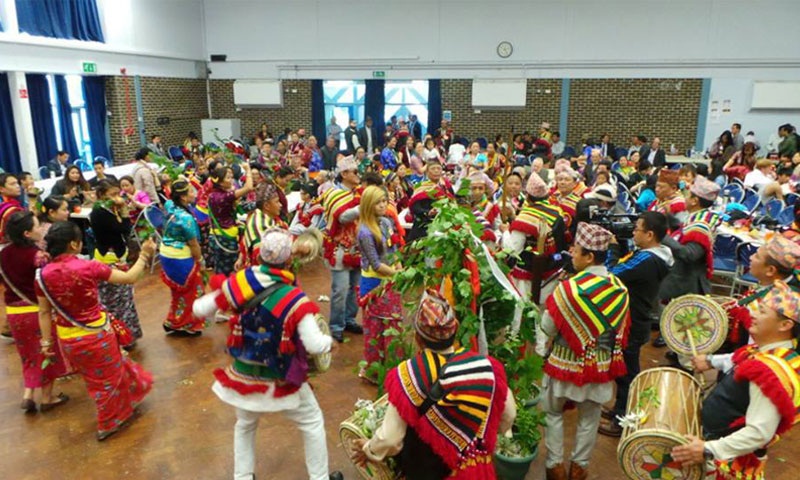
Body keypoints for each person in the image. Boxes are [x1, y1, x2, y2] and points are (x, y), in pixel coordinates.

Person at [201, 227, 342, 480]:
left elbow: (201, 308)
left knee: (245, 424)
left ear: (260, 256)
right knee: (311, 422)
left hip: (243, 374)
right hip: (280, 376)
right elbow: (313, 344)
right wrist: (328, 343)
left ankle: (242, 476)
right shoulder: (292, 297)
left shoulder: (241, 281)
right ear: (289, 260)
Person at [353, 289, 516, 479]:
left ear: (418, 338)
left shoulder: (409, 375)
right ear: (454, 330)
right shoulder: (486, 368)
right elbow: (508, 413)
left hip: (428, 471)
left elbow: (390, 439)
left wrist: (368, 449)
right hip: (477, 469)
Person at [36, 222, 156, 441]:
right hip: (96, 335)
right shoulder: (89, 266)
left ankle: (128, 400)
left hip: (68, 339)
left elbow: (44, 313)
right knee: (105, 382)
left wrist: (46, 344)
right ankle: (108, 423)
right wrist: (145, 255)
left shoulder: (42, 276)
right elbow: (129, 278)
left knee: (98, 376)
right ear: (73, 244)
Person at [672, 281, 800, 479]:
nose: (753, 315)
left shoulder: (770, 371)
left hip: (728, 464)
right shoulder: (774, 353)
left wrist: (707, 449)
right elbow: (740, 356)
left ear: (785, 324)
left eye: (763, 312)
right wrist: (710, 361)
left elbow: (759, 433)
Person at [537, 222, 630, 480]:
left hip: (564, 363)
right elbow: (619, 334)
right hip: (598, 368)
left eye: (576, 251)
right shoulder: (620, 289)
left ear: (589, 257)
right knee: (589, 420)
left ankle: (555, 466)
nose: (572, 254)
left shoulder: (567, 289)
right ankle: (579, 467)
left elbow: (548, 328)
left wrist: (542, 351)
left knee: (553, 414)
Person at [598, 212, 673, 437]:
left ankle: (622, 419)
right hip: (636, 318)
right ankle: (619, 410)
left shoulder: (649, 259)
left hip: (632, 321)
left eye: (637, 229)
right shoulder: (656, 255)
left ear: (650, 235)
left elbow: (612, 274)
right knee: (625, 369)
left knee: (626, 372)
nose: (633, 232)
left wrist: (612, 249)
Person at [0, 211, 69, 413]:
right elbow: (49, 283)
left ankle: (28, 394)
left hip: (14, 312)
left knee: (28, 355)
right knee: (47, 351)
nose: (41, 229)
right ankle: (48, 397)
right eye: (37, 226)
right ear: (27, 233)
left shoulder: (3, 254)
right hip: (36, 312)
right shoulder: (38, 256)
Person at [656, 175, 722, 348]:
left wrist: (662, 237)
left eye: (688, 195)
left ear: (694, 201)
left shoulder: (701, 225)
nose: (684, 198)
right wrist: (669, 219)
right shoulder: (695, 217)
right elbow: (682, 235)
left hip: (690, 282)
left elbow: (689, 254)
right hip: (683, 279)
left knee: (689, 326)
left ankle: (685, 363)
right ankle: (677, 351)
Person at [720, 235, 800, 352]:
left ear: (770, 270)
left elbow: (760, 346)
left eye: (756, 256)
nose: (751, 257)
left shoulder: (781, 300)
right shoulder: (767, 286)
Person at [356, 186, 402, 383]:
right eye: (378, 202)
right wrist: (399, 275)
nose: (383, 205)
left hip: (390, 279)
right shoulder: (365, 232)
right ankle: (373, 370)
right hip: (375, 283)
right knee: (375, 328)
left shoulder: (385, 222)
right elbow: (376, 263)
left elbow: (394, 250)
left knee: (393, 325)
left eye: (384, 200)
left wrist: (399, 267)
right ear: (369, 205)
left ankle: (392, 368)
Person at [89, 180, 142, 347]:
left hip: (119, 254)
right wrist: (125, 210)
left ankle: (128, 335)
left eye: (117, 193)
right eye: (112, 194)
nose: (116, 197)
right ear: (101, 195)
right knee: (115, 300)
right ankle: (118, 337)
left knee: (125, 298)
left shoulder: (110, 209)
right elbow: (124, 229)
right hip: (108, 258)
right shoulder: (99, 212)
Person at [504, 173, 567, 304]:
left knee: (522, 309)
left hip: (527, 273)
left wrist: (504, 233)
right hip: (554, 267)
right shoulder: (557, 212)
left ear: (528, 196)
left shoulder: (526, 216)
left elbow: (512, 250)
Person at [321, 156, 363, 342]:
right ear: (344, 174)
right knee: (340, 289)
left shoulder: (358, 193)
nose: (357, 175)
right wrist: (365, 207)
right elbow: (342, 217)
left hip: (357, 247)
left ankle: (349, 320)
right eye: (354, 171)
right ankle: (336, 326)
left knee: (355, 287)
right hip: (339, 249)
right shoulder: (334, 194)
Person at [159, 179, 205, 335]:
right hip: (180, 257)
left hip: (166, 254)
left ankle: (174, 320)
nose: (194, 193)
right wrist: (200, 261)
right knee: (192, 291)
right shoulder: (186, 219)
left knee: (178, 293)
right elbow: (193, 244)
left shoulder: (170, 205)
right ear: (183, 198)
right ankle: (187, 324)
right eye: (191, 191)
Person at [209, 164, 254, 277]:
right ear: (220, 182)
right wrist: (248, 169)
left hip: (215, 235)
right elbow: (248, 188)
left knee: (220, 267)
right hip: (226, 237)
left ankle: (221, 287)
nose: (232, 180)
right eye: (228, 178)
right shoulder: (225, 196)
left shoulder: (213, 194)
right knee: (230, 268)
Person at [239, 181, 287, 268]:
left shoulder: (269, 217)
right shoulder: (259, 228)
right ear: (267, 206)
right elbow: (264, 261)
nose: (280, 205)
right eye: (277, 202)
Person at [406, 159, 453, 242]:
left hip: (444, 223)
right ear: (427, 172)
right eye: (433, 169)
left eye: (438, 168)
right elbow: (414, 207)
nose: (436, 171)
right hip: (425, 225)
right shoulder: (421, 187)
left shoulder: (446, 185)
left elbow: (453, 199)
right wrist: (428, 212)